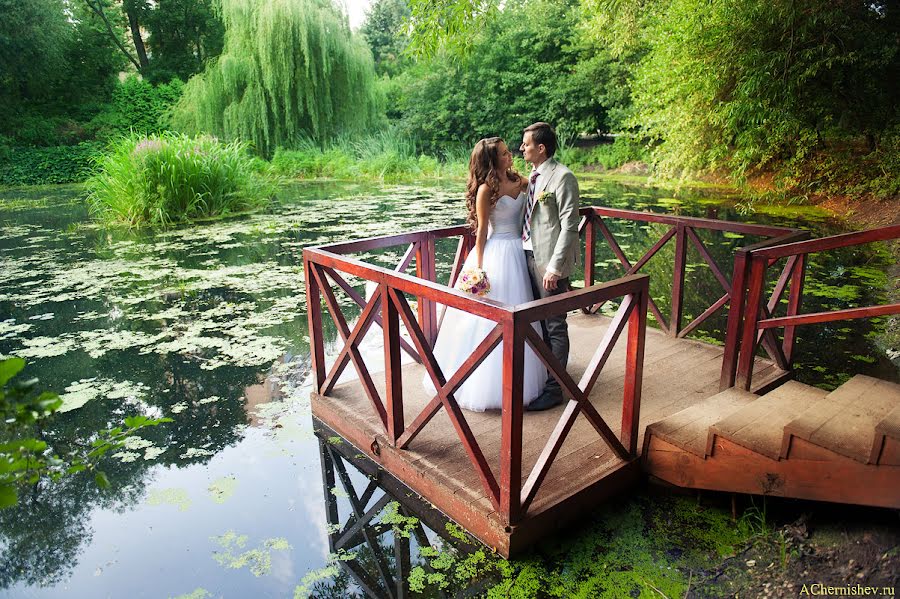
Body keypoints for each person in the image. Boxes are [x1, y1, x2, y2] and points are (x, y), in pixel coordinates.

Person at [424, 137, 547, 411]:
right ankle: (481, 382)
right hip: (495, 254)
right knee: (488, 321)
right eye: (504, 154)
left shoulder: (519, 180)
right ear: (492, 161)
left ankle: (526, 374)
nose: (510, 156)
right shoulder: (485, 190)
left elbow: (540, 189)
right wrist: (478, 269)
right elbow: (481, 233)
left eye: (508, 152)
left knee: (523, 314)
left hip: (521, 250)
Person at [520, 122, 580, 411]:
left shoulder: (563, 177)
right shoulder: (531, 177)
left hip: (549, 264)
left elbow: (570, 226)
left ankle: (556, 389)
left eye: (526, 144)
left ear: (541, 148)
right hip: (526, 257)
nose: (522, 148)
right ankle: (544, 376)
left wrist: (555, 268)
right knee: (537, 323)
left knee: (555, 324)